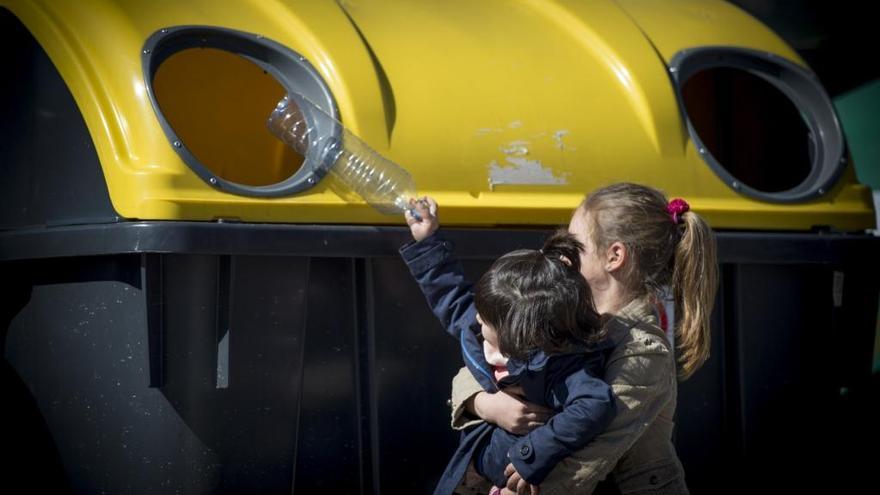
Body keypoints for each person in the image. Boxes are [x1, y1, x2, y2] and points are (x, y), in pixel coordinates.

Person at [450, 182, 718, 494]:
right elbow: (484, 360)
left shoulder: (644, 352)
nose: (562, 258)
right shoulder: (564, 313)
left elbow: (591, 456)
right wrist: (485, 404)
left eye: (575, 245)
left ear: (614, 255)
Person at [400, 197, 617, 495]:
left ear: (521, 337)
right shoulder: (485, 326)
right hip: (474, 469)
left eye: (486, 321)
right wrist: (427, 241)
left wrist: (533, 454)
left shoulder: (561, 366)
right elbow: (453, 299)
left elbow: (595, 405)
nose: (475, 319)